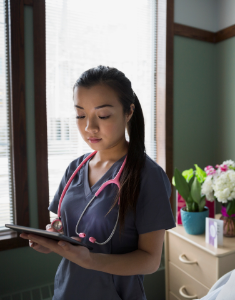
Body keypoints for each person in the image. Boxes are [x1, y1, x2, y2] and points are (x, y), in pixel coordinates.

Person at [20, 66, 176, 300]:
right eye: (80, 115)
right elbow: (64, 226)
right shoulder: (76, 168)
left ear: (128, 112)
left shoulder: (147, 175)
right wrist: (51, 239)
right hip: (67, 292)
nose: (89, 127)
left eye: (102, 116)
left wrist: (91, 260)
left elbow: (150, 261)